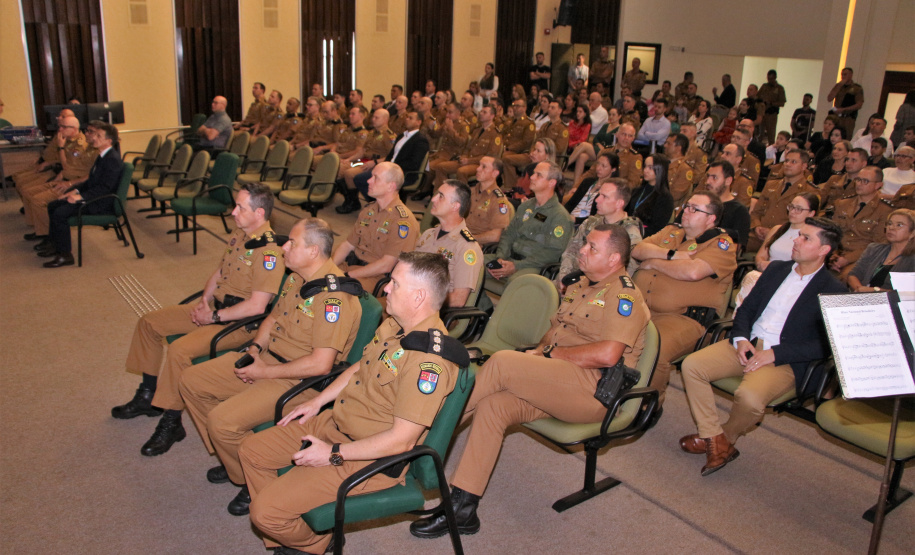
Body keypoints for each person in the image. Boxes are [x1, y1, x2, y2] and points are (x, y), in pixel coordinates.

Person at [410, 224, 649, 540]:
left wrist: (549, 354)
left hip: (593, 393)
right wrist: (541, 352)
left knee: (501, 364)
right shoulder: (582, 286)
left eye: (592, 247)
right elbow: (555, 332)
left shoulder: (625, 295)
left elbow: (607, 354)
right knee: (495, 406)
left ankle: (420, 442)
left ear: (615, 258)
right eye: (585, 244)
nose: (582, 250)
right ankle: (462, 507)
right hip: (562, 380)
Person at [239, 252, 465, 555]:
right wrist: (317, 402)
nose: (385, 288)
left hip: (366, 456)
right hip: (335, 422)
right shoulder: (396, 326)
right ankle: (289, 536)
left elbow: (401, 441)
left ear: (419, 296)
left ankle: (312, 544)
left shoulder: (429, 361)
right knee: (251, 451)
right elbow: (359, 367)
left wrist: (332, 454)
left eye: (395, 284)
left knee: (264, 513)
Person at [178, 217, 363, 516]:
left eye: (292, 242)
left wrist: (263, 372)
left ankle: (247, 478)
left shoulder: (334, 298)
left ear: (314, 251)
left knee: (221, 422)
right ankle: (237, 464)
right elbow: (273, 318)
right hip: (266, 360)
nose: (283, 247)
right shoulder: (295, 277)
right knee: (191, 381)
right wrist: (254, 349)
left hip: (297, 381)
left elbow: (320, 364)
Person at [110, 183, 285, 457]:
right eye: (235, 205)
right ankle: (147, 394)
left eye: (240, 207)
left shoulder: (269, 253)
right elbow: (219, 272)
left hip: (237, 325)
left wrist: (212, 316)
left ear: (260, 213)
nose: (232, 212)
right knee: (149, 323)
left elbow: (257, 306)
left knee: (180, 351)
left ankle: (171, 421)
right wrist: (204, 301)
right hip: (214, 310)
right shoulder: (241, 233)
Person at [679, 217, 846, 476]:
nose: (796, 240)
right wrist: (741, 338)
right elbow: (746, 309)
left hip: (784, 358)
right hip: (749, 343)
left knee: (749, 398)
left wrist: (775, 354)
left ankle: (727, 438)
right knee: (692, 365)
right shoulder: (777, 269)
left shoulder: (833, 289)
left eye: (806, 238)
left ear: (824, 250)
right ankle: (714, 438)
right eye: (798, 234)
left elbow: (826, 345)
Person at [631, 192, 738, 405]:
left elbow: (693, 272)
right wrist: (672, 255)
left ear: (711, 218)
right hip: (641, 307)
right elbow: (638, 249)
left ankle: (647, 406)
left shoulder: (721, 244)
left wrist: (654, 262)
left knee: (654, 349)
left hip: (684, 318)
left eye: (694, 209)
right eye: (686, 206)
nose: (685, 211)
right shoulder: (672, 231)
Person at [332, 162, 419, 293]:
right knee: (315, 273)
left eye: (375, 177)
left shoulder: (403, 221)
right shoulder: (369, 210)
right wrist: (330, 267)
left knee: (333, 291)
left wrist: (347, 276)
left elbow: (386, 265)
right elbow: (347, 245)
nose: (368, 180)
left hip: (375, 277)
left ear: (391, 186)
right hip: (352, 266)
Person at [484, 162, 572, 287]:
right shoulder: (526, 206)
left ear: (551, 183)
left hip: (534, 265)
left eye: (538, 175)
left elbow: (552, 253)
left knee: (516, 281)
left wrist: (517, 266)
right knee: (472, 264)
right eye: (533, 173)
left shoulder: (559, 216)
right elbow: (509, 234)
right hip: (509, 257)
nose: (531, 177)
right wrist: (500, 258)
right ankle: (482, 304)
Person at [20, 116, 97, 243]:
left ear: (74, 129)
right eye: (60, 126)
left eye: (64, 127)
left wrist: (61, 148)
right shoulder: (69, 141)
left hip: (74, 183)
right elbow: (67, 167)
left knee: (38, 200)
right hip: (64, 177)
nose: (60, 129)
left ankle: (45, 234)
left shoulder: (82, 145)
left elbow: (70, 167)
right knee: (27, 191)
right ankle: (40, 228)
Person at [736, 192, 820, 306]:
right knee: (752, 277)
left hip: (788, 279)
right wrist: (761, 263)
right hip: (766, 274)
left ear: (811, 213)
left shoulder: (809, 238)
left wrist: (773, 268)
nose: (793, 211)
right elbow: (761, 255)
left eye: (799, 209)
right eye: (791, 207)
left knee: (753, 279)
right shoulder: (777, 230)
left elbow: (803, 266)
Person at [558, 178, 642, 283]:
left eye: (604, 197)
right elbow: (570, 252)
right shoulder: (590, 223)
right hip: (573, 279)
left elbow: (627, 272)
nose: (597, 200)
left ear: (619, 203)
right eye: (599, 194)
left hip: (599, 288)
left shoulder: (630, 233)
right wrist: (564, 278)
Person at [415, 181, 484, 309]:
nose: (434, 199)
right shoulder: (428, 234)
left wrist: (422, 300)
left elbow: (458, 299)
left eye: (441, 196)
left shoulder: (467, 247)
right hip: (413, 299)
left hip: (436, 311)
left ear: (455, 206)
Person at [830, 166, 895, 280]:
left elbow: (878, 244)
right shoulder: (843, 203)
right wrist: (833, 255)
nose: (859, 184)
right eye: (858, 180)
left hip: (861, 258)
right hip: (837, 253)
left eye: (865, 181)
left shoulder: (885, 210)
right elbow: (832, 233)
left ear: (878, 185)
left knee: (846, 277)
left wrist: (847, 259)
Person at [748, 150, 815, 252]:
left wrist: (773, 232)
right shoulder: (771, 184)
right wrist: (757, 226)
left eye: (793, 162)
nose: (788, 164)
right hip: (758, 235)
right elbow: (757, 211)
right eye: (786, 161)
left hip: (784, 239)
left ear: (804, 166)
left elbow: (805, 223)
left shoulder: (809, 191)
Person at [337, 108, 395, 213]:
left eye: (377, 117)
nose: (373, 119)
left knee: (349, 173)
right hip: (364, 161)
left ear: (385, 119)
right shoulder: (372, 133)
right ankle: (351, 200)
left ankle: (354, 202)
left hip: (377, 164)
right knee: (339, 169)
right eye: (373, 117)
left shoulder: (389, 135)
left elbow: (391, 156)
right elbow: (362, 151)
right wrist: (348, 159)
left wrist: (375, 162)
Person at [847, 209, 915, 291]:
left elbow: (908, 293)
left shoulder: (912, 259)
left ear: (912, 233)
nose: (891, 228)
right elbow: (853, 274)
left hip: (892, 302)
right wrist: (860, 290)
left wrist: (874, 291)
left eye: (899, 225)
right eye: (889, 224)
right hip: (862, 298)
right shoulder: (874, 249)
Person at [567, 107, 621, 185]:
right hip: (598, 149)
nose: (611, 117)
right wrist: (599, 145)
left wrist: (604, 148)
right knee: (582, 156)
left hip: (607, 152)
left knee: (584, 145)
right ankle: (576, 184)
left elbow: (614, 144)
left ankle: (565, 164)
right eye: (610, 115)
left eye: (614, 115)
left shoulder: (619, 129)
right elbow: (596, 139)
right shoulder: (606, 126)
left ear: (619, 116)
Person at [626, 153, 674, 237]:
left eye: (650, 168)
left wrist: (635, 232)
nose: (645, 170)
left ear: (660, 170)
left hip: (645, 237)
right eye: (645, 166)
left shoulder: (665, 197)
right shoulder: (638, 190)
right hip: (628, 231)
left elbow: (657, 228)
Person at [466, 156, 512, 244]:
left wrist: (469, 239)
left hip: (475, 244)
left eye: (484, 167)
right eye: (479, 165)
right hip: (458, 238)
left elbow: (495, 236)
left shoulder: (499, 200)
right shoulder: (469, 192)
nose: (478, 169)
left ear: (495, 173)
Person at [563, 151, 618, 220]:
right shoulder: (587, 182)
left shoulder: (609, 191)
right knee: (547, 217)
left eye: (603, 166)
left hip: (585, 224)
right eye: (598, 164)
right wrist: (563, 215)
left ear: (613, 169)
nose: (598, 168)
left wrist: (574, 220)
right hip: (570, 218)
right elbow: (571, 203)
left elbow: (596, 217)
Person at [499, 99, 538, 190]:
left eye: (518, 106)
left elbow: (526, 142)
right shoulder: (509, 121)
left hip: (522, 152)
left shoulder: (529, 123)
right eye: (514, 106)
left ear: (524, 108)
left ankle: (510, 187)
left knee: (505, 157)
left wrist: (509, 148)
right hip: (507, 150)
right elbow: (502, 135)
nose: (515, 108)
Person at [827, 67, 865, 140]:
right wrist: (839, 85)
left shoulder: (856, 88)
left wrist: (844, 109)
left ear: (851, 75)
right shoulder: (838, 86)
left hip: (848, 118)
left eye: (845, 74)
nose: (843, 76)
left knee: (846, 137)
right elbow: (829, 98)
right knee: (832, 135)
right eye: (842, 74)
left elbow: (859, 104)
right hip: (837, 117)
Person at [757, 70, 787, 145]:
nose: (769, 80)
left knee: (771, 135)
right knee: (759, 134)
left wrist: (771, 103)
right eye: (768, 78)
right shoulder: (764, 86)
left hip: (771, 114)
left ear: (775, 77)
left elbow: (782, 102)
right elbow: (757, 96)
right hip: (762, 113)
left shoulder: (779, 88)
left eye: (771, 78)